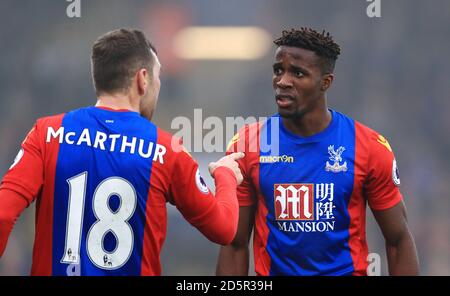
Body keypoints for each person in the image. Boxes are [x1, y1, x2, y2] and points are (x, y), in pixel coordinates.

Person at [0, 28, 244, 276]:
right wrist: (225, 175)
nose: (158, 87)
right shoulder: (168, 151)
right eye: (158, 77)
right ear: (143, 79)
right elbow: (224, 229)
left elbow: (2, 214)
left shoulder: (47, 133)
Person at [216, 28, 419, 276]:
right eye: (278, 70)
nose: (283, 81)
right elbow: (235, 245)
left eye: (298, 73)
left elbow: (398, 240)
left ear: (326, 82)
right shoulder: (247, 145)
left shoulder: (370, 147)